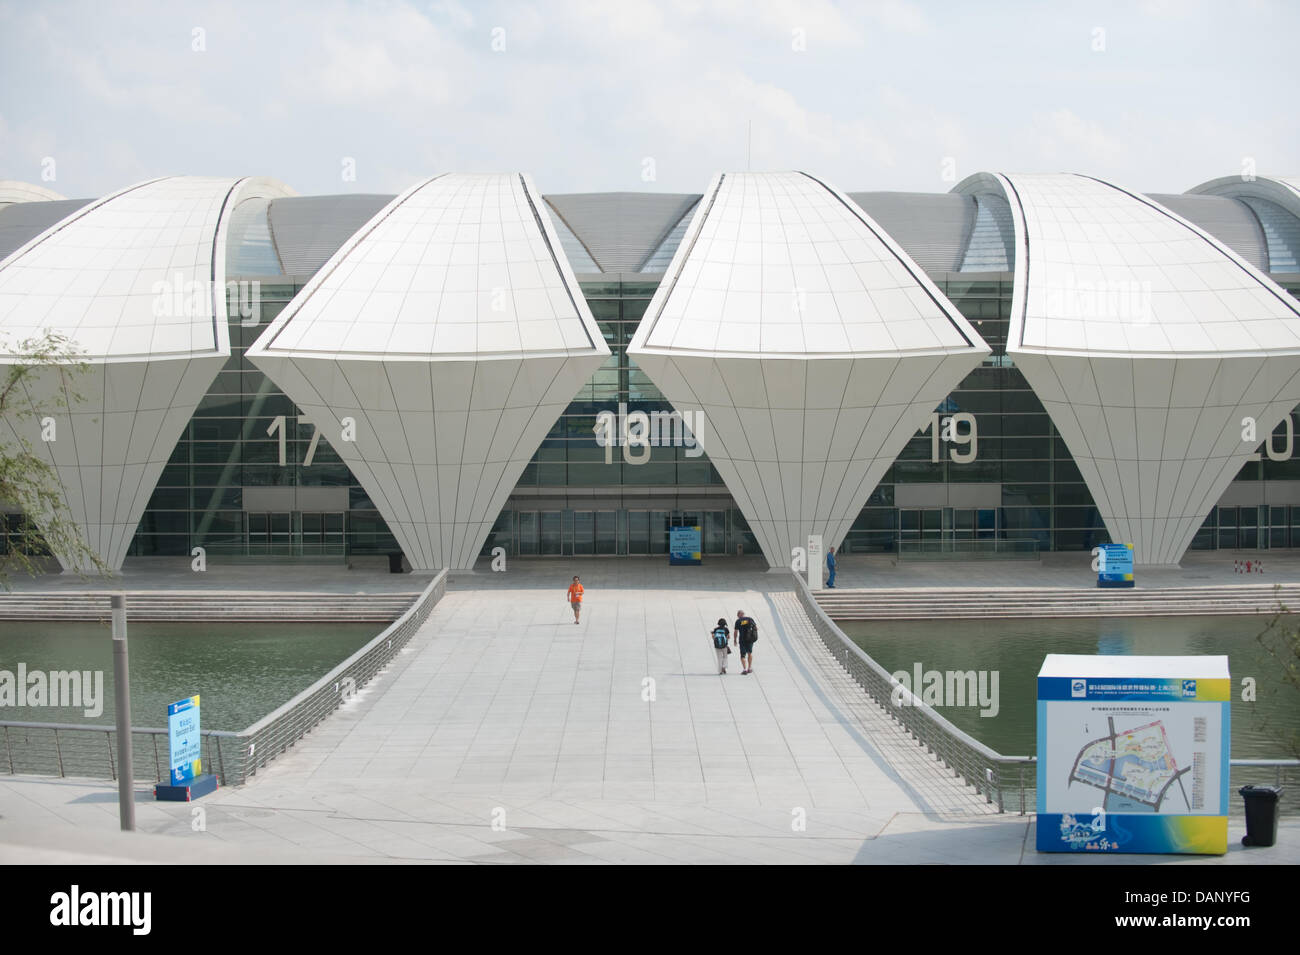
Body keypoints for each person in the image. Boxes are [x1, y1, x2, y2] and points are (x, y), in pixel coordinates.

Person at [734, 609, 758, 675]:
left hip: (742, 640)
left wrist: (735, 640)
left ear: (739, 615)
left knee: (742, 655)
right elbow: (756, 628)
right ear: (743, 614)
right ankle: (749, 668)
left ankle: (744, 669)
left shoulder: (738, 621)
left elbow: (736, 631)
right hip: (750, 639)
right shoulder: (750, 619)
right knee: (750, 652)